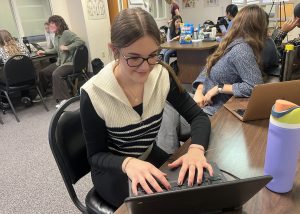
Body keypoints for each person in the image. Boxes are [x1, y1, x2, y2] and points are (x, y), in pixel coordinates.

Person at [80, 7, 211, 208]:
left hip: (149, 154)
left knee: (196, 191)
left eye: (152, 55)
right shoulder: (94, 93)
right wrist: (128, 163)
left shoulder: (161, 75)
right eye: (133, 58)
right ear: (114, 50)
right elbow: (95, 156)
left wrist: (196, 149)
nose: (145, 67)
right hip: (114, 169)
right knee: (159, 207)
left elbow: (198, 117)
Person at [193, 4, 266, 116]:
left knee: (167, 109)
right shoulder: (231, 43)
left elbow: (255, 87)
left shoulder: (241, 49)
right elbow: (208, 67)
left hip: (210, 110)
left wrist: (220, 88)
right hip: (200, 100)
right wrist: (198, 91)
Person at [37, 15, 84, 107]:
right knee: (43, 72)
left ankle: (64, 100)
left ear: (58, 24)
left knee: (56, 74)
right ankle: (42, 95)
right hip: (61, 62)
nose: (50, 27)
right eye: (49, 24)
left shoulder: (66, 33)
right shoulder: (56, 36)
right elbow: (56, 49)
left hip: (70, 63)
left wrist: (68, 47)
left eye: (52, 24)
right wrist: (44, 52)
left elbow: (81, 41)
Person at [0, 29, 32, 107]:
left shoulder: (1, 50)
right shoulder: (21, 45)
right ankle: (26, 96)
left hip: (12, 81)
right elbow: (29, 57)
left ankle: (5, 102)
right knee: (22, 71)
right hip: (29, 78)